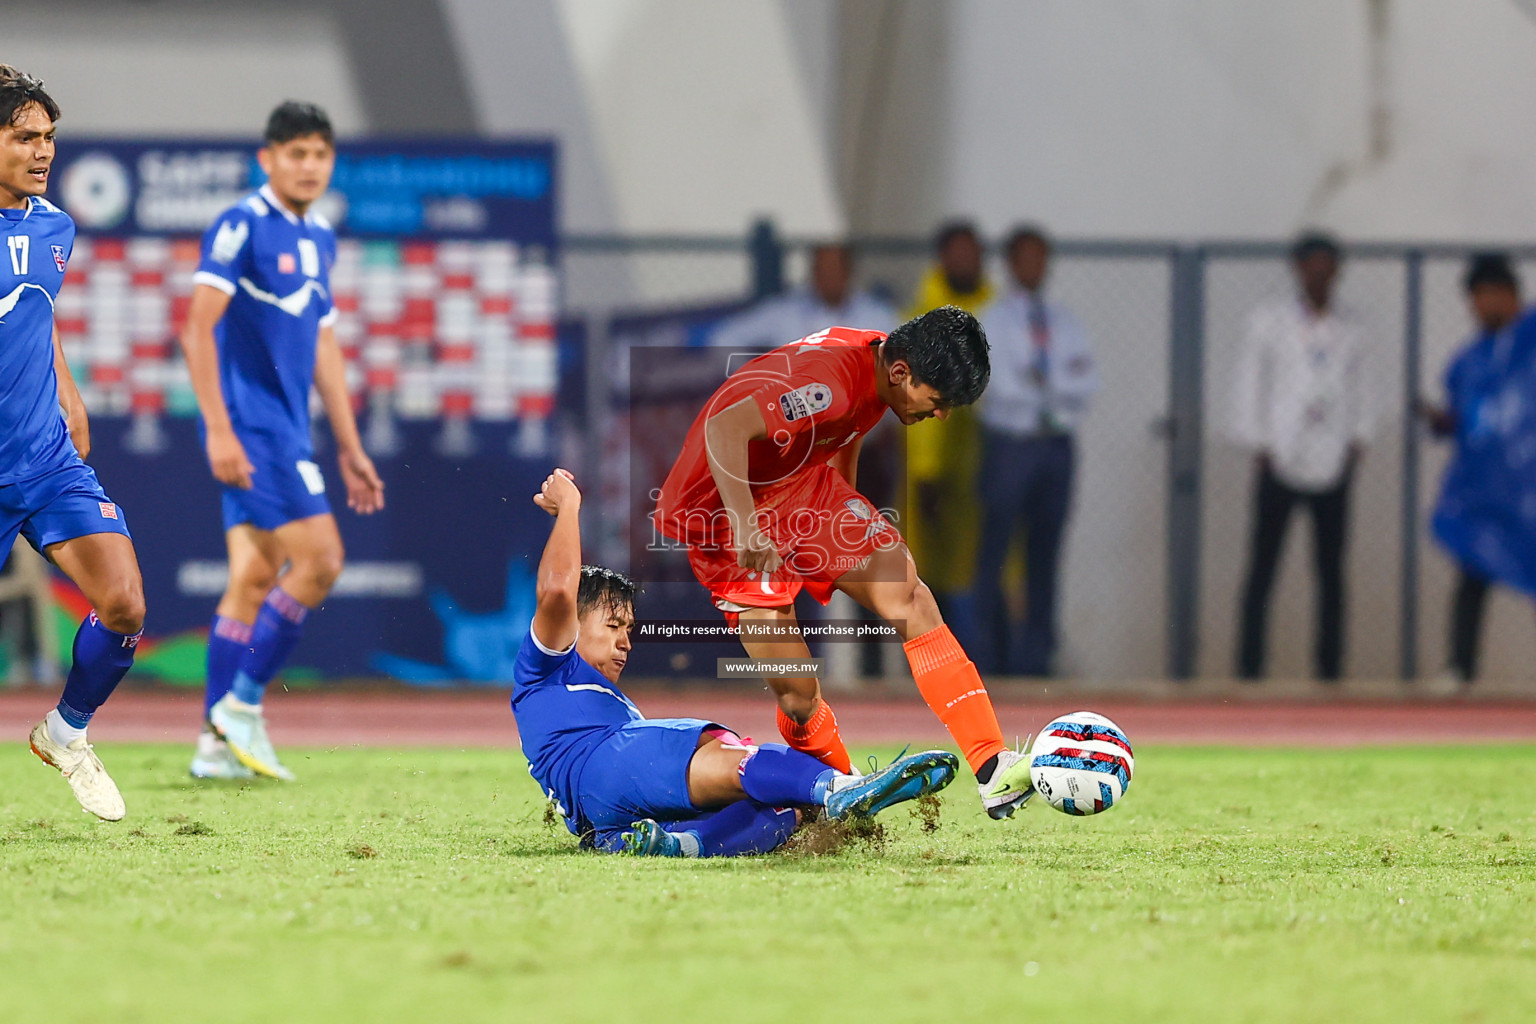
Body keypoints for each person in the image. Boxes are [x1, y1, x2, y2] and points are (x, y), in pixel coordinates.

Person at [655, 308, 1039, 821]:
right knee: (796, 692)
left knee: (909, 596)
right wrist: (748, 526)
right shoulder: (827, 384)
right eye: (939, 401)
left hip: (800, 488)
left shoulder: (880, 361)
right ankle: (837, 795)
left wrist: (842, 523)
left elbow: (843, 426)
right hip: (726, 511)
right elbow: (726, 428)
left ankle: (993, 767)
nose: (941, 414)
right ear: (902, 373)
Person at [515, 468, 958, 857]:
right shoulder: (548, 666)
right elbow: (556, 591)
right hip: (605, 765)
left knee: (781, 811)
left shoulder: (599, 703)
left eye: (629, 629)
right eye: (613, 625)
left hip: (603, 820)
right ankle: (840, 787)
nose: (625, 641)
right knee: (723, 750)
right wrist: (570, 504)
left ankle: (680, 844)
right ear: (574, 621)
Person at [179, 102, 384, 780]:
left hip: (289, 429)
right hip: (254, 429)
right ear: (267, 159)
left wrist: (350, 445)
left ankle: (214, 748)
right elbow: (197, 326)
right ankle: (240, 705)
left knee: (253, 577)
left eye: (320, 154)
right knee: (322, 560)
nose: (309, 165)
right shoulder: (242, 224)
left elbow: (323, 343)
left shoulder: (320, 236)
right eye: (295, 153)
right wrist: (218, 428)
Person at [1, 66, 144, 821]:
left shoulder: (54, 227)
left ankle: (66, 733)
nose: (43, 150)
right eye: (25, 136)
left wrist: (68, 386)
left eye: (49, 137)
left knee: (123, 603)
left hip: (46, 462)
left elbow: (31, 311)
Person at [1231, 232, 1376, 681]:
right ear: (1297, 268)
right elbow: (1249, 382)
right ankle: (1249, 670)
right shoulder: (1268, 321)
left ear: (1336, 271)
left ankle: (1329, 671)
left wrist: (1358, 439)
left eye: (1326, 265)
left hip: (1333, 457)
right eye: (1310, 264)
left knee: (1331, 573)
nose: (1318, 274)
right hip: (1280, 456)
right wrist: (1258, 442)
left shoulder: (1355, 326)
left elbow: (1366, 388)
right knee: (1262, 568)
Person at [973, 226, 1097, 676]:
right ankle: (986, 656)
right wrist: (1052, 390)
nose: (1035, 267)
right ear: (1011, 263)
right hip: (1010, 444)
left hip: (1055, 446)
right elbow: (996, 386)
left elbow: (1086, 382)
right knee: (996, 553)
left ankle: (1037, 659)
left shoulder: (1065, 321)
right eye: (1026, 258)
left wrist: (1042, 387)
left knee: (1046, 554)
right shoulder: (992, 319)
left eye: (1041, 258)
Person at [1423, 253, 1530, 687]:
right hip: (1490, 491)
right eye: (1473, 299)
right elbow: (1470, 416)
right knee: (1473, 570)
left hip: (1531, 486)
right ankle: (1460, 668)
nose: (1480, 308)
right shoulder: (1469, 359)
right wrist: (1444, 423)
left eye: (1485, 297)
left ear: (1508, 294)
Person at [903, 221, 994, 630]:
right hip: (931, 467)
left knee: (984, 567)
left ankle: (985, 664)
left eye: (971, 252)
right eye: (956, 252)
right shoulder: (921, 319)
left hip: (985, 462)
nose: (963, 260)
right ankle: (931, 666)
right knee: (924, 573)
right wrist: (925, 470)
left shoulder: (999, 312)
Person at [709, 242, 896, 353]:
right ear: (813, 272)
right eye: (822, 272)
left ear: (848, 273)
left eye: (834, 271)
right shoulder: (784, 312)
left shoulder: (876, 317)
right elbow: (724, 339)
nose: (828, 279)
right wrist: (753, 383)